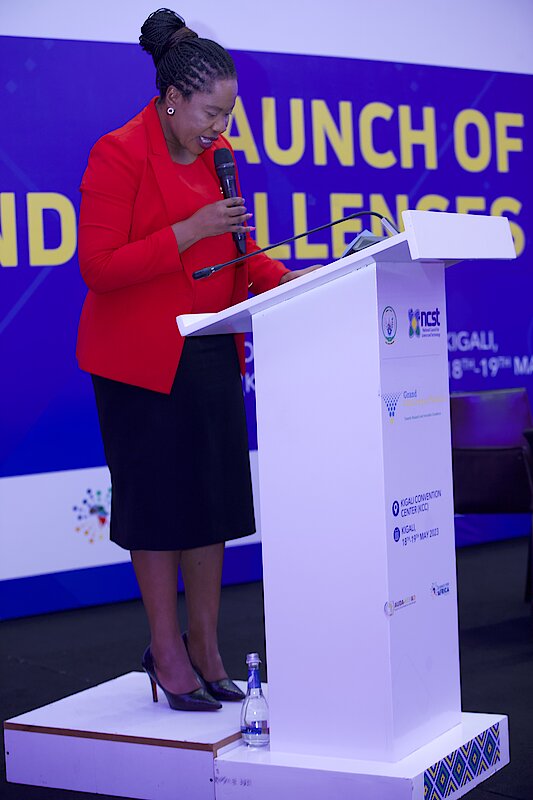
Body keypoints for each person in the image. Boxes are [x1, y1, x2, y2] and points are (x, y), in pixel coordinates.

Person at [77, 8, 318, 711]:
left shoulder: (220, 158)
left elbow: (238, 254)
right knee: (159, 511)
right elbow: (99, 267)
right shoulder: (118, 153)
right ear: (172, 98)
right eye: (210, 112)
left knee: (211, 508)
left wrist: (287, 278)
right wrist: (187, 230)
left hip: (211, 350)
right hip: (139, 365)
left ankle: (207, 648)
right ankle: (166, 652)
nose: (220, 127)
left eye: (228, 113)